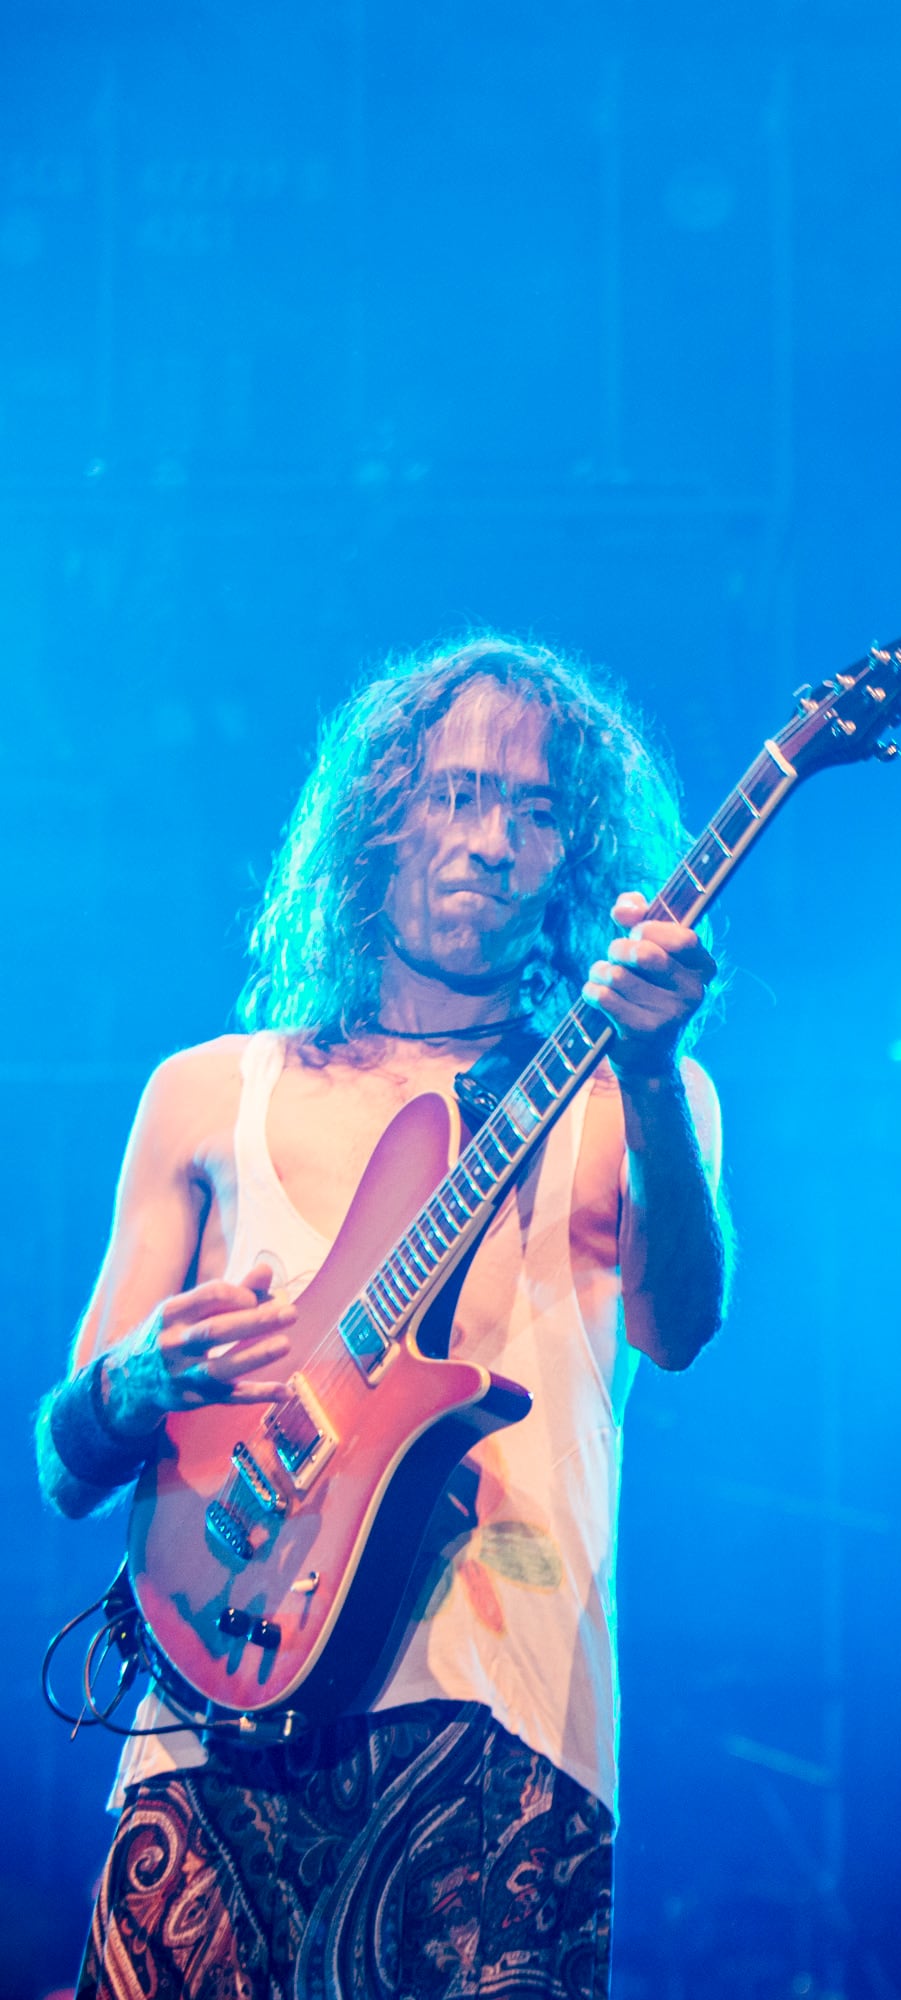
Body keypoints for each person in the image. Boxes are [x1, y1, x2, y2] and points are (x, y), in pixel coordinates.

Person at [33, 636, 730, 2000]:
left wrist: (650, 1074)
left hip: (494, 1715)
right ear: (378, 817)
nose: (494, 841)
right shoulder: (204, 1095)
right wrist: (138, 1375)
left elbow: (683, 1325)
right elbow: (64, 1461)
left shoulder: (630, 1100)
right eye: (459, 793)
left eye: (537, 812)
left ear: (575, 858)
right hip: (204, 1717)